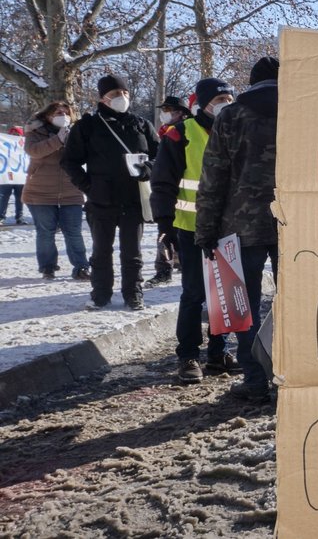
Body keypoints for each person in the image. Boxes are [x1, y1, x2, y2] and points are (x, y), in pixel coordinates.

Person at [195, 59, 280, 402]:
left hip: (241, 227)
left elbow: (213, 176)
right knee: (296, 304)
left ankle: (256, 381)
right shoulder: (304, 110)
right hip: (297, 227)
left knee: (244, 306)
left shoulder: (230, 115)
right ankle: (296, 379)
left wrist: (205, 231)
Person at [152, 79, 239, 385]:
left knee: (225, 293)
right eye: (219, 98)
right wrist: (166, 225)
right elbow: (162, 182)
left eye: (229, 97)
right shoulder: (181, 133)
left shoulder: (237, 130)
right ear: (203, 104)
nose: (225, 103)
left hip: (229, 227)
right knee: (195, 294)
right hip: (190, 228)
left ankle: (219, 352)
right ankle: (188, 356)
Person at [61, 75, 158, 311]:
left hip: (133, 199)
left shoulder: (141, 124)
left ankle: (133, 294)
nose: (121, 98)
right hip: (101, 200)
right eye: (115, 94)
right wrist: (88, 186)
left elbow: (160, 155)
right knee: (101, 252)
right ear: (102, 98)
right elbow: (69, 161)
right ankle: (101, 294)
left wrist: (149, 169)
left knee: (132, 253)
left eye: (124, 93)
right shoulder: (87, 126)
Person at [22, 102, 89, 280]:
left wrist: (73, 141)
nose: (63, 115)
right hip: (40, 191)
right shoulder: (35, 131)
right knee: (46, 231)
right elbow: (33, 151)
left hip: (71, 190)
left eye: (67, 112)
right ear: (48, 115)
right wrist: (57, 140)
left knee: (73, 231)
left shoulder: (76, 131)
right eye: (58, 112)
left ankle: (81, 267)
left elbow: (85, 155)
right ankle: (47, 266)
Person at [146, 96, 192, 288]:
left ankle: (174, 267)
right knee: (165, 234)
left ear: (180, 113)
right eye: (163, 109)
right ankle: (164, 269)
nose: (164, 113)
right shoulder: (164, 131)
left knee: (180, 235)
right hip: (168, 196)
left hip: (184, 197)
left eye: (168, 110)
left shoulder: (184, 131)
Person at [0, 126, 26, 224]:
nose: (15, 136)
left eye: (17, 134)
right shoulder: (4, 144)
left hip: (20, 176)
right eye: (13, 134)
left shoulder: (24, 144)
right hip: (6, 176)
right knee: (3, 197)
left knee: (20, 198)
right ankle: (1, 217)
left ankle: (19, 217)